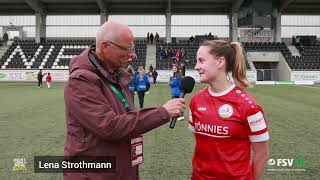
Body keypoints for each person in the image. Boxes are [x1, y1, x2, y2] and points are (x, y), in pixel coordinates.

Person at [64, 20, 186, 180]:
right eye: (126, 49)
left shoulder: (116, 74)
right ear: (105, 46)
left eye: (132, 48)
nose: (132, 55)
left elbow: (126, 117)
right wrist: (162, 112)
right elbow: (110, 126)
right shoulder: (80, 81)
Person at [189, 40, 269, 180]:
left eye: (201, 61)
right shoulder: (195, 101)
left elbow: (262, 153)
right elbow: (200, 142)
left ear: (220, 62)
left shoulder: (248, 106)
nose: (196, 67)